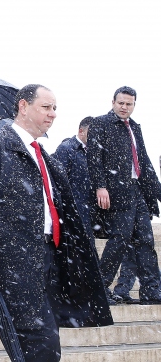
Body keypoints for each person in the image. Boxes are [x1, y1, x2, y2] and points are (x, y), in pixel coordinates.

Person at [0, 84, 112, 362]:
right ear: (23, 106)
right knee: (42, 345)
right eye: (46, 107)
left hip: (50, 260)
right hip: (16, 262)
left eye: (54, 108)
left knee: (40, 345)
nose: (53, 113)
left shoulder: (43, 154)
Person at [87, 86, 161, 305]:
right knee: (119, 240)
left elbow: (144, 162)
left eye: (129, 104)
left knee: (146, 241)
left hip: (137, 191)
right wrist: (100, 186)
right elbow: (94, 158)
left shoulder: (135, 127)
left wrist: (157, 192)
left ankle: (151, 290)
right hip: (116, 191)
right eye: (121, 103)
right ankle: (99, 289)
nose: (124, 107)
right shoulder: (100, 123)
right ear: (113, 102)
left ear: (134, 105)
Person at [52, 116, 94, 239]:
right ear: (81, 131)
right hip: (72, 209)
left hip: (88, 209)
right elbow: (59, 181)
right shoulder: (66, 149)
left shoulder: (93, 152)